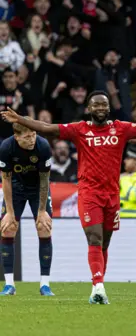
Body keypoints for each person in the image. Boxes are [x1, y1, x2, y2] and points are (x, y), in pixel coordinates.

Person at [1, 92, 136, 304]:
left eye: (104, 104)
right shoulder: (80, 129)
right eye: (96, 105)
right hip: (89, 193)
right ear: (88, 109)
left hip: (112, 195)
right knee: (94, 238)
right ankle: (98, 287)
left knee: (104, 244)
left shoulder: (121, 128)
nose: (100, 108)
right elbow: (48, 128)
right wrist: (20, 119)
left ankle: (97, 284)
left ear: (109, 108)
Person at [0, 122, 54, 296]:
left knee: (43, 227)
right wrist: (9, 212)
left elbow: (45, 179)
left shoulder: (43, 146)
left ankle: (45, 285)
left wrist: (42, 210)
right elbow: (6, 180)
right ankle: (9, 285)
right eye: (27, 137)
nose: (31, 140)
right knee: (7, 229)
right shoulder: (6, 147)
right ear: (17, 137)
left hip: (38, 188)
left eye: (33, 135)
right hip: (15, 188)